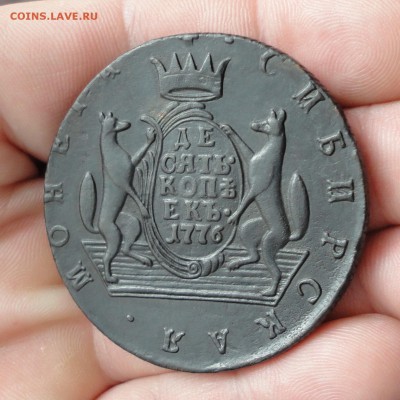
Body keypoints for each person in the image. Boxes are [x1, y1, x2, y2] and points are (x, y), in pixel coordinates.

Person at [1, 0, 400, 398]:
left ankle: (267, 274)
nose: (263, 126)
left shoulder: (266, 157)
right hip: (135, 221)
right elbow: (235, 168)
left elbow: (254, 186)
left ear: (274, 133)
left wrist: (233, 205)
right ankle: (129, 260)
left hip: (271, 223)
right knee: (142, 232)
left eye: (268, 126)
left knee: (260, 239)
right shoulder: (261, 155)